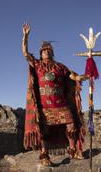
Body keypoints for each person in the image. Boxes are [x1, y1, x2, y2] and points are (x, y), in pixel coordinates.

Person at [21, 22, 87, 166]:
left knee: (71, 124)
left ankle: (72, 150)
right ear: (41, 53)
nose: (47, 52)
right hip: (44, 106)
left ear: (52, 52)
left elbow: (72, 76)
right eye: (44, 50)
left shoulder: (60, 66)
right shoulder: (37, 64)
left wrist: (82, 77)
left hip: (61, 104)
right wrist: (26, 36)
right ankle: (44, 155)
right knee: (44, 130)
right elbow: (25, 53)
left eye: (49, 50)